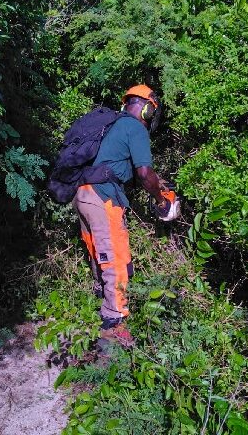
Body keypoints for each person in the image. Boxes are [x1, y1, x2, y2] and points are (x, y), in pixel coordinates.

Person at [72, 84, 178, 348]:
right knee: (117, 258)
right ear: (145, 108)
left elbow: (118, 165)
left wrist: (159, 184)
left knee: (99, 253)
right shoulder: (135, 128)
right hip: (103, 197)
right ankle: (114, 327)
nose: (150, 117)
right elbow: (144, 174)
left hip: (82, 194)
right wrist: (160, 200)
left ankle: (102, 303)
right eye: (151, 111)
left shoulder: (111, 126)